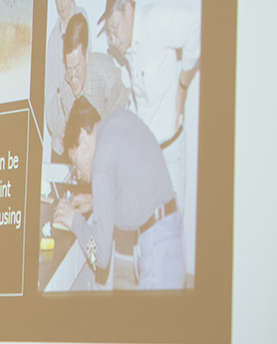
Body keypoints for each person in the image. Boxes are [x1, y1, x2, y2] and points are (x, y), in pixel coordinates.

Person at [54, 96, 185, 290]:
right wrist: (95, 200)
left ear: (82, 136)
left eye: (74, 161)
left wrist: (75, 222)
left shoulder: (101, 160)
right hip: (168, 231)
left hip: (157, 246)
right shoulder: (117, 122)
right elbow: (132, 187)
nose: (79, 174)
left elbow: (100, 256)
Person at [97, 0, 200, 215]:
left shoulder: (154, 21)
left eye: (113, 29)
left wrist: (183, 86)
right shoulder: (131, 48)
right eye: (109, 34)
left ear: (129, 10)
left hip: (169, 153)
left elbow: (196, 23)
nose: (112, 40)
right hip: (148, 157)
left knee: (170, 233)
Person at [55, 13, 128, 148]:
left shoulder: (107, 74)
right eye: (68, 69)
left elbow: (122, 105)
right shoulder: (66, 90)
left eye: (77, 68)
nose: (72, 78)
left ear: (86, 56)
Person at [45, 0, 90, 159]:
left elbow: (87, 78)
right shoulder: (53, 38)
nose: (61, 2)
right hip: (60, 142)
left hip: (82, 136)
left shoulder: (83, 20)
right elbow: (49, 94)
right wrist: (60, 130)